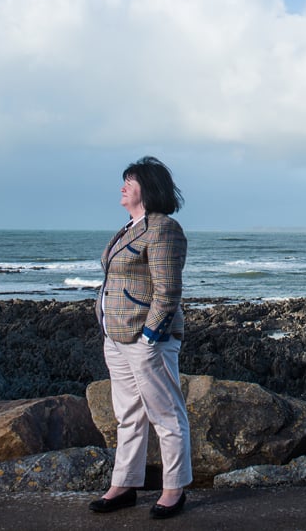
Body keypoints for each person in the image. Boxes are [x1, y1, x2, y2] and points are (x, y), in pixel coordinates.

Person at [89, 156, 192, 520]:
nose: (123, 187)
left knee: (166, 415)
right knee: (128, 414)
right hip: (116, 337)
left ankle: (173, 489)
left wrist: (150, 335)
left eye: (129, 181)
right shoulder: (129, 228)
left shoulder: (163, 228)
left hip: (147, 339)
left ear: (147, 188)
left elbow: (167, 290)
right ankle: (124, 485)